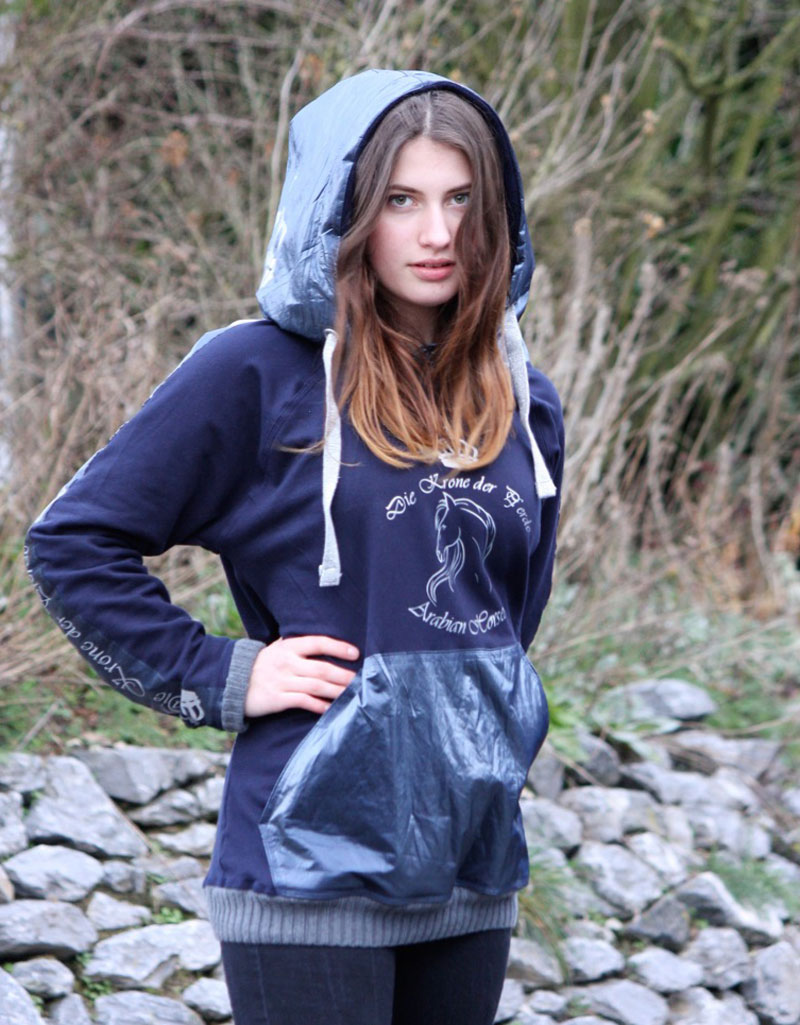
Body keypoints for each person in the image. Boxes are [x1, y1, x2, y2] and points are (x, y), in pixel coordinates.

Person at [25, 69, 564, 1025]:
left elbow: (509, 617)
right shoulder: (256, 372)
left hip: (472, 863)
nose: (438, 233)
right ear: (346, 212)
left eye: (461, 201)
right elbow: (74, 543)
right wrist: (221, 673)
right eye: (401, 201)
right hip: (305, 864)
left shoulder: (522, 399)